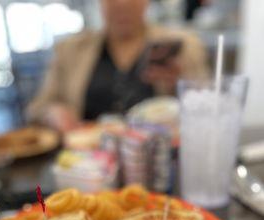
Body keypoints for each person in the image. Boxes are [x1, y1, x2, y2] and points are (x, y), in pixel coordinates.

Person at [27, 0, 209, 132]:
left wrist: (180, 85)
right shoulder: (71, 50)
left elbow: (207, 105)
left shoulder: (181, 46)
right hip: (87, 165)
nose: (122, 4)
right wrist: (53, 113)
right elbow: (38, 107)